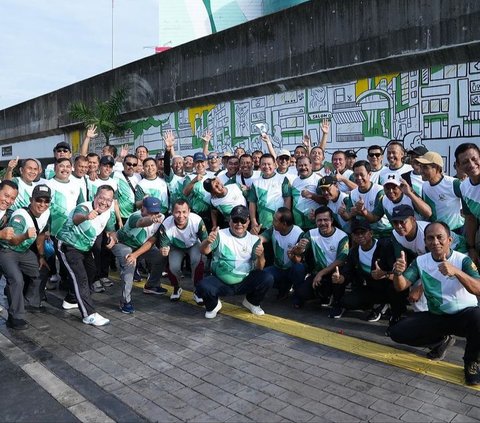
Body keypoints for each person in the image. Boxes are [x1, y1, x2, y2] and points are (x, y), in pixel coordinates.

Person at [390, 222, 480, 386]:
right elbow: (401, 286)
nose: (435, 242)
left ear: (450, 240)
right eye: (430, 238)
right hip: (437, 316)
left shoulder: (463, 260)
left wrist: (456, 272)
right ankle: (440, 341)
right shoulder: (420, 261)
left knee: (479, 317)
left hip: (464, 316)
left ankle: (471, 362)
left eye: (440, 237)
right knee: (396, 332)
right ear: (425, 242)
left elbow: (478, 289)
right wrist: (397, 273)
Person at [196, 205, 274, 318]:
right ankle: (213, 305)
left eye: (242, 220)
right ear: (229, 221)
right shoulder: (220, 234)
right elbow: (204, 251)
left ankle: (252, 302)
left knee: (267, 278)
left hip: (244, 281)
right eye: (235, 220)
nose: (239, 224)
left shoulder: (254, 239)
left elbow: (259, 268)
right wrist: (207, 241)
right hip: (221, 281)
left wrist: (261, 256)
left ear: (248, 222)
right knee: (203, 285)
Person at [56, 185, 117, 326]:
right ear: (95, 197)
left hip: (85, 248)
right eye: (101, 198)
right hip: (68, 245)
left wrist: (112, 238)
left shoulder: (109, 212)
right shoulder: (84, 207)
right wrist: (86, 217)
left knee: (91, 272)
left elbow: (111, 229)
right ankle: (88, 314)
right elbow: (77, 218)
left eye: (108, 200)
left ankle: (71, 299)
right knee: (80, 278)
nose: (104, 202)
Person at [333, 219, 407, 325]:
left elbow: (400, 275)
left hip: (388, 286)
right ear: (352, 237)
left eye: (363, 232)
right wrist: (340, 279)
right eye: (356, 234)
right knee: (347, 302)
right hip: (371, 288)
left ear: (371, 233)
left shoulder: (385, 246)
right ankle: (378, 305)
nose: (360, 236)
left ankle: (395, 314)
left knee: (395, 289)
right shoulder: (353, 252)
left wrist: (384, 274)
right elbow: (347, 273)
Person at [0, 184, 51, 330]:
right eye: (39, 200)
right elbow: (13, 240)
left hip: (23, 252)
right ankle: (15, 317)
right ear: (31, 200)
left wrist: (41, 256)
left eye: (46, 201)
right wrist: (25, 235)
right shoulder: (20, 216)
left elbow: (41, 234)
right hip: (8, 251)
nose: (42, 204)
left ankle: (31, 302)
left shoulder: (47, 213)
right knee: (16, 279)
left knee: (42, 269)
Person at [110, 197, 167, 313]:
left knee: (160, 256)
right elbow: (142, 222)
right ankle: (125, 301)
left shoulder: (161, 218)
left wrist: (136, 254)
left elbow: (151, 241)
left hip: (140, 246)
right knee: (130, 263)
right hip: (122, 244)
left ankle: (151, 285)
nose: (154, 214)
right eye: (150, 211)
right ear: (143, 209)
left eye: (156, 211)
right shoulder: (135, 216)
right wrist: (151, 220)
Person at [290, 206, 349, 315]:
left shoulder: (342, 236)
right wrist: (298, 249)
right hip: (317, 274)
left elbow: (341, 260)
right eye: (319, 220)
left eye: (325, 220)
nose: (322, 223)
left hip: (335, 272)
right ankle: (322, 295)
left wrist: (322, 273)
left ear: (331, 220)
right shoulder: (310, 234)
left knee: (337, 277)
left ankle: (337, 303)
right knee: (302, 293)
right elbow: (300, 252)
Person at [158, 199, 208, 302]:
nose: (181, 216)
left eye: (184, 212)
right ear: (172, 212)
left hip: (193, 244)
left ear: (189, 211)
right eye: (177, 212)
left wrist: (208, 248)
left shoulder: (197, 220)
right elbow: (164, 245)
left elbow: (205, 241)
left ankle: (197, 290)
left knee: (197, 262)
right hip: (176, 246)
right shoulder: (166, 224)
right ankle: (177, 287)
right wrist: (164, 250)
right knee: (173, 267)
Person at [258, 207, 306, 300]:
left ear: (284, 224)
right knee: (262, 276)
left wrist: (293, 257)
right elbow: (262, 237)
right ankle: (283, 288)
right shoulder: (273, 229)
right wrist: (257, 238)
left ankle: (298, 293)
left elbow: (299, 260)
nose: (273, 222)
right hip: (278, 268)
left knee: (299, 268)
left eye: (275, 220)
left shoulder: (299, 234)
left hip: (291, 269)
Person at [417, 151, 464, 233]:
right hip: (436, 234)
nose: (421, 171)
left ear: (437, 168)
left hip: (456, 231)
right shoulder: (425, 186)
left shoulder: (453, 183)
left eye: (425, 167)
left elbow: (469, 203)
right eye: (421, 167)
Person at [248, 153, 291, 230]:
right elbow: (252, 203)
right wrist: (253, 221)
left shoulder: (283, 179)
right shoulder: (255, 183)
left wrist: (286, 218)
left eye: (269, 164)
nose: (266, 167)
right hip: (263, 224)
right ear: (260, 166)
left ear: (274, 165)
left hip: (280, 223)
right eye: (264, 164)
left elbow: (287, 199)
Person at [454, 143, 480, 266]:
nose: (471, 164)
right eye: (465, 162)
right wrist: (471, 248)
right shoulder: (464, 186)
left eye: (474, 159)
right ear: (459, 166)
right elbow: (470, 218)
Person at [289, 156, 323, 230]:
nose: (303, 167)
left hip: (313, 223)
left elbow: (325, 201)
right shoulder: (295, 181)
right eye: (300, 165)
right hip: (298, 225)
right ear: (296, 167)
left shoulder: (318, 180)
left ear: (311, 165)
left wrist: (312, 196)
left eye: (305, 165)